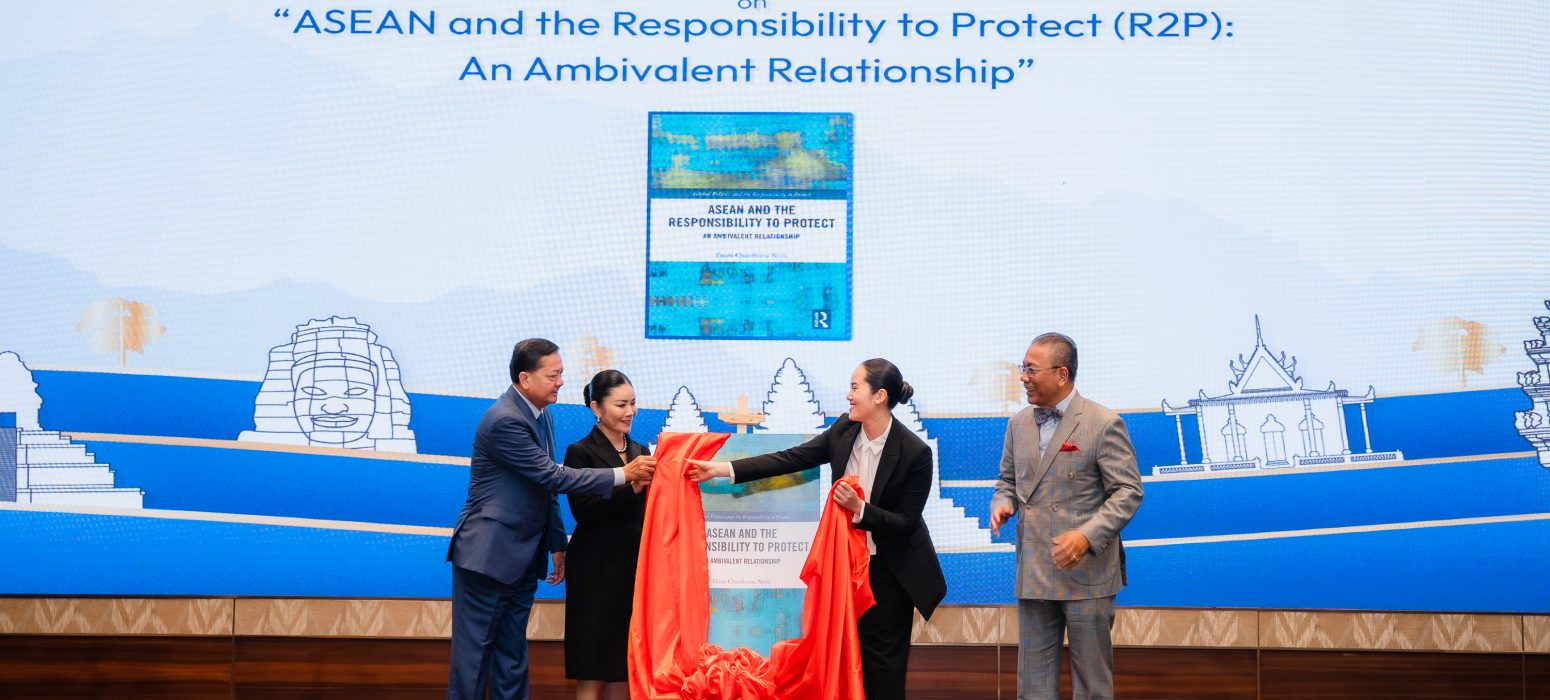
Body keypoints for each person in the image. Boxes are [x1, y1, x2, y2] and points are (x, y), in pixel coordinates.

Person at [687, 358, 947, 700]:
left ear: (880, 396)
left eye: (855, 387)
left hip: (889, 572)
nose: (848, 395)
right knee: (839, 658)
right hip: (844, 569)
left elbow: (905, 523)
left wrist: (860, 509)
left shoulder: (915, 452)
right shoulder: (845, 430)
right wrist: (722, 469)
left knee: (882, 667)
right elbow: (792, 458)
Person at [446, 339, 655, 700]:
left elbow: (543, 491)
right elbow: (552, 476)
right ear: (525, 378)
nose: (561, 382)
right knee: (474, 659)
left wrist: (557, 542)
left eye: (561, 373)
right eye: (553, 375)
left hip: (523, 556)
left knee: (512, 657)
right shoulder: (505, 419)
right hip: (488, 555)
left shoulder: (542, 415)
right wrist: (624, 474)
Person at [989, 333, 1143, 700]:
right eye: (1023, 368)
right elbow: (1007, 480)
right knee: (1033, 687)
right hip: (1034, 572)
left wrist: (1086, 536)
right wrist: (1002, 501)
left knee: (1092, 687)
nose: (1023, 377)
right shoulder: (1017, 424)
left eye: (1031, 370)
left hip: (1087, 574)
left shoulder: (1104, 423)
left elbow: (1128, 491)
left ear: (1062, 374)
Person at [563, 370, 650, 700]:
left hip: (633, 570)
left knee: (623, 664)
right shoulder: (580, 452)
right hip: (595, 570)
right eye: (621, 405)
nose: (630, 412)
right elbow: (584, 512)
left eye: (633, 403)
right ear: (596, 408)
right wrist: (632, 487)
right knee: (593, 663)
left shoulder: (642, 450)